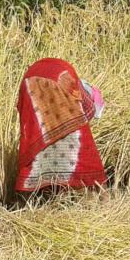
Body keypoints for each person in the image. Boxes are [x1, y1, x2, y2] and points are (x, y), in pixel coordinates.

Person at [15, 58, 107, 194]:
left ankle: (33, 196)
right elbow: (88, 110)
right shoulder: (82, 92)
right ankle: (100, 196)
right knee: (83, 152)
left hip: (30, 85)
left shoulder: (70, 81)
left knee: (43, 146)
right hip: (55, 82)